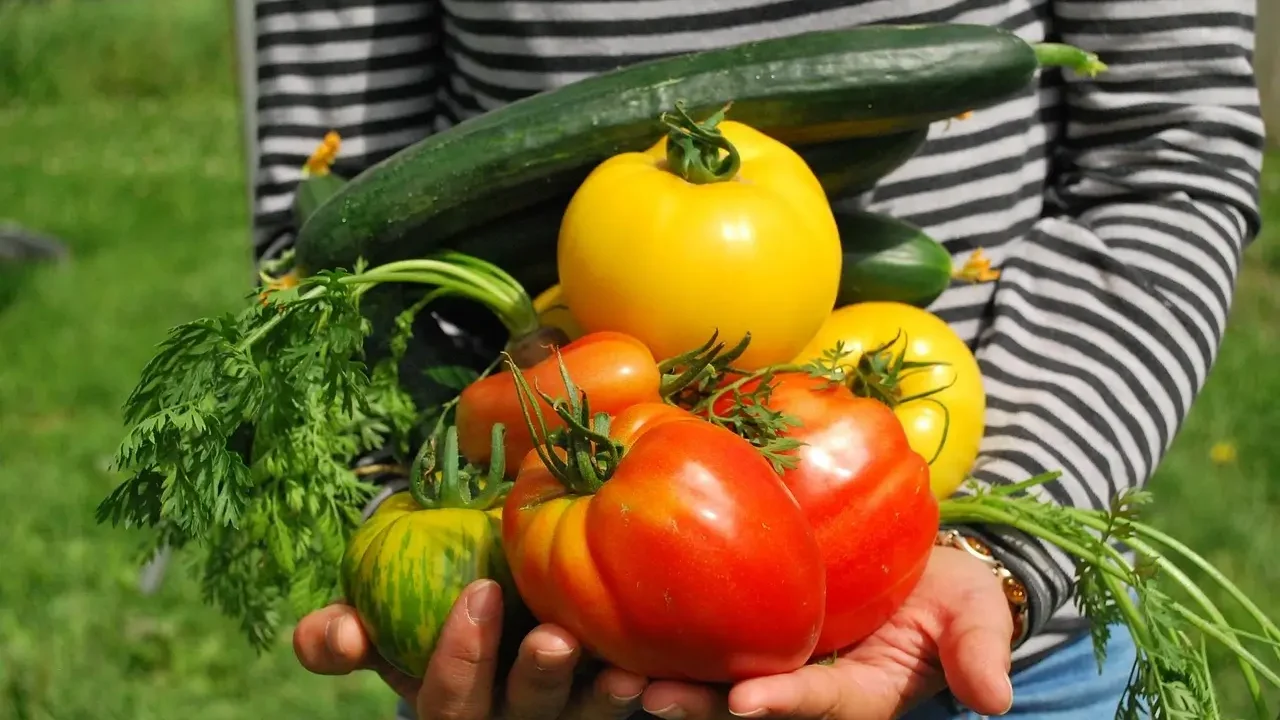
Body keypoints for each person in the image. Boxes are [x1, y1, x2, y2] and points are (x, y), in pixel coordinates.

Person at [244, 0, 1265, 718]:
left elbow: (1167, 162)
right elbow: (330, 237)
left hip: (996, 653)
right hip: (539, 627)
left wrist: (996, 552)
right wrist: (408, 531)